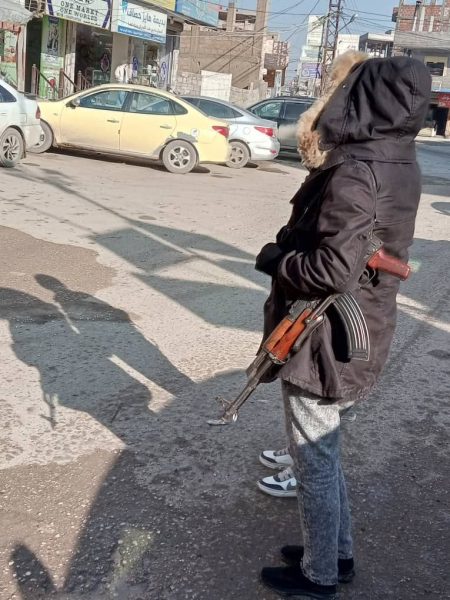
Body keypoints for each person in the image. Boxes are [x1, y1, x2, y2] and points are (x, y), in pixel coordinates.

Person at [254, 52, 431, 599]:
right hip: (365, 327)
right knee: (325, 458)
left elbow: (331, 269)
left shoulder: (356, 169)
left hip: (323, 336)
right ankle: (336, 553)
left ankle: (320, 574)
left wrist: (277, 260)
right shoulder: (400, 159)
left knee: (314, 463)